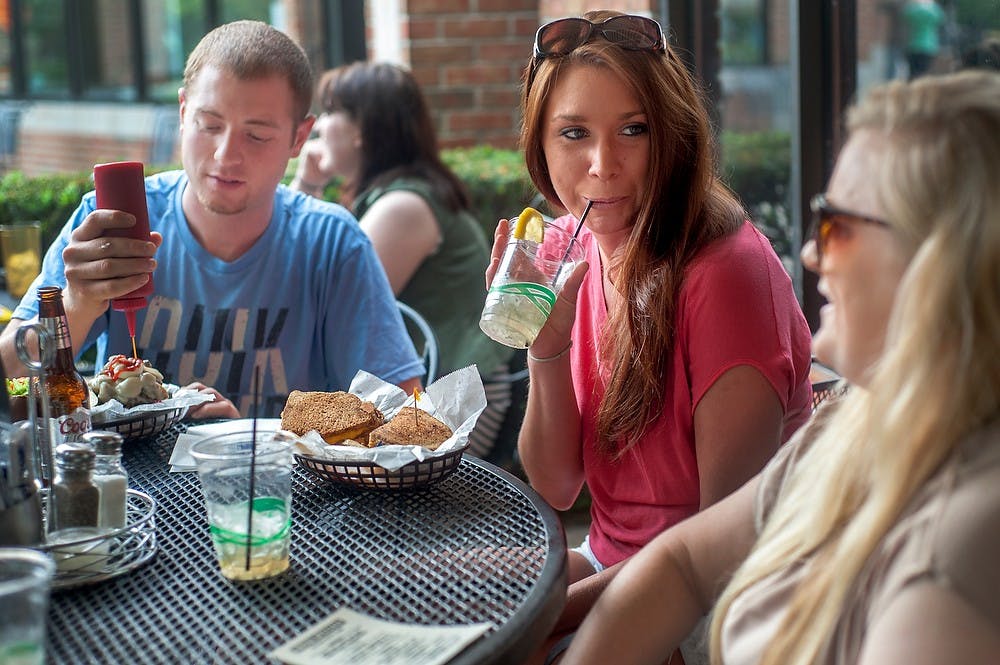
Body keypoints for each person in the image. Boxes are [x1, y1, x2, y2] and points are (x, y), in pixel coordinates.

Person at [562, 70, 1000, 664]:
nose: (811, 252)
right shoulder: (856, 430)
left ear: (940, 265)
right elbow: (685, 563)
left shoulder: (948, 574)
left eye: (838, 226)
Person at [487, 10, 813, 660]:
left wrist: (533, 619)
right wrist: (544, 345)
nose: (603, 165)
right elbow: (555, 486)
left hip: (726, 602)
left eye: (633, 130)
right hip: (612, 562)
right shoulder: (562, 248)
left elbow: (721, 549)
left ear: (674, 137)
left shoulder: (726, 274)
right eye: (574, 133)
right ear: (539, 145)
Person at [0, 21, 424, 418]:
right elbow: (12, 381)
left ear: (298, 137)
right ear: (183, 113)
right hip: (135, 492)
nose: (225, 155)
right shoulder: (112, 223)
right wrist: (77, 305)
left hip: (283, 491)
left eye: (256, 134)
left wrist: (246, 440)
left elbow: (403, 413)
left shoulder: (330, 242)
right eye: (208, 124)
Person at [290, 61, 517, 461]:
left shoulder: (402, 206)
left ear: (361, 128)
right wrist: (309, 183)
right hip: (436, 389)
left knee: (415, 513)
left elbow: (324, 306)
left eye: (330, 110)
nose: (320, 125)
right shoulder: (395, 195)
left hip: (459, 397)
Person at [902, 0, 945, 80]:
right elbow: (941, 17)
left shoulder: (914, 10)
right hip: (929, 46)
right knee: (923, 73)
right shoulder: (933, 11)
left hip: (914, 45)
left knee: (912, 72)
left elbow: (905, 14)